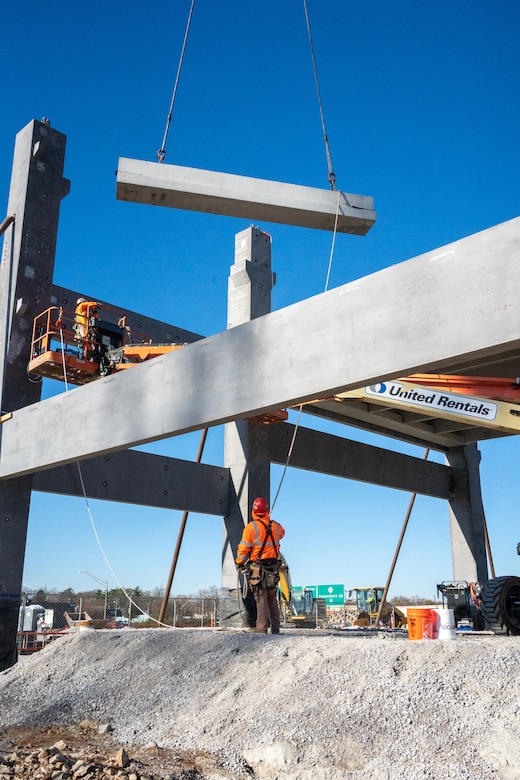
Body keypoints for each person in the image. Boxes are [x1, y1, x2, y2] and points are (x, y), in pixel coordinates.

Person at [235, 497, 285, 634]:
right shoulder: (275, 526)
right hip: (273, 567)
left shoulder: (251, 528)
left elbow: (243, 548)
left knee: (260, 596)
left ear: (254, 511)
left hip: (258, 568)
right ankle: (275, 627)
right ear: (267, 511)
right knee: (272, 597)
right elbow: (282, 533)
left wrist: (239, 562)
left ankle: (261, 628)